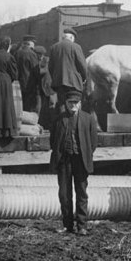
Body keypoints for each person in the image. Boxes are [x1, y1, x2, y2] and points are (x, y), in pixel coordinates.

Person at [49, 89, 98, 235]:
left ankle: (82, 226)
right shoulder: (59, 119)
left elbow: (93, 143)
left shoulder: (88, 119)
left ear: (80, 104)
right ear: (66, 103)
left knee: (81, 193)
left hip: (81, 160)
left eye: (76, 102)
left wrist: (85, 155)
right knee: (64, 194)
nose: (73, 105)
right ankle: (67, 225)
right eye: (70, 102)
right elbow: (53, 141)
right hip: (64, 160)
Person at [48, 28, 87, 110]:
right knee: (75, 106)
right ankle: (74, 122)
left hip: (59, 83)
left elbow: (50, 67)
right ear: (72, 38)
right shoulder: (76, 47)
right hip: (74, 83)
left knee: (62, 104)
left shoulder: (54, 47)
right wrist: (84, 78)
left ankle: (62, 122)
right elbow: (82, 66)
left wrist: (55, 77)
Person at [14, 34, 40, 113]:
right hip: (29, 84)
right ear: (29, 43)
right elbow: (36, 70)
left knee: (20, 105)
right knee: (28, 107)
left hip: (18, 83)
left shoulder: (17, 53)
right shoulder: (31, 54)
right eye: (33, 43)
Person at [35, 45, 56, 131]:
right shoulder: (44, 60)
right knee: (45, 108)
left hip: (48, 88)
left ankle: (51, 125)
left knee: (51, 107)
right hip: (44, 88)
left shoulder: (45, 61)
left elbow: (42, 71)